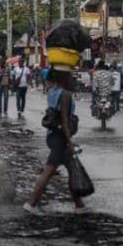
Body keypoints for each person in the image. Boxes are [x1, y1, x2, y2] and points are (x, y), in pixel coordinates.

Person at [24, 65, 85, 215]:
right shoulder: (65, 95)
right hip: (60, 138)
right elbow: (64, 120)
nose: (71, 78)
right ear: (64, 77)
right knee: (49, 171)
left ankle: (79, 205)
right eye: (69, 75)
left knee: (72, 170)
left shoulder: (52, 91)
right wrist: (69, 141)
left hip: (53, 135)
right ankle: (31, 203)